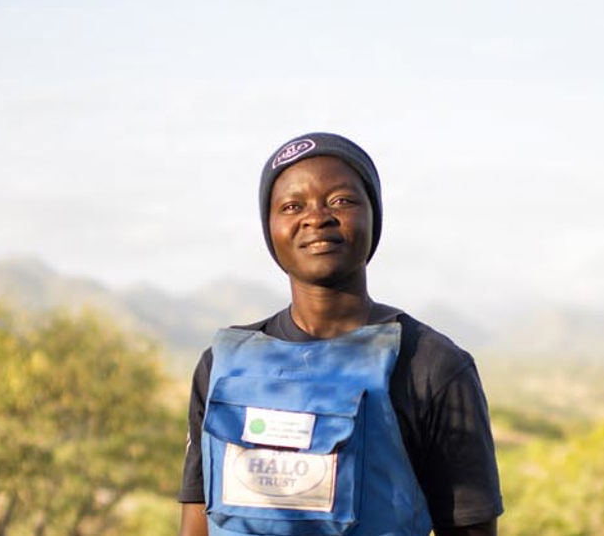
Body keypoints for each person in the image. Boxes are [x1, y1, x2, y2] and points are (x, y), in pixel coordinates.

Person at [178, 133, 503, 536]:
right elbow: (197, 520)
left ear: (373, 216)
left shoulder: (432, 366)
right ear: (270, 227)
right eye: (292, 206)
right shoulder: (221, 365)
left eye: (341, 201)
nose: (316, 217)